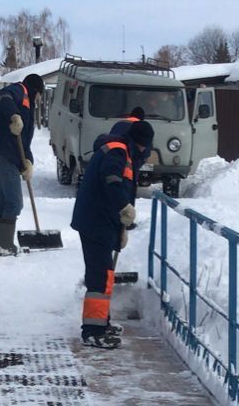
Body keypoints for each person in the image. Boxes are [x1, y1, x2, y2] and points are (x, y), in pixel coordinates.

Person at [71, 121, 154, 348]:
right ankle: (93, 331)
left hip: (100, 221)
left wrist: (121, 228)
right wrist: (123, 207)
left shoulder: (121, 150)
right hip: (95, 222)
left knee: (102, 274)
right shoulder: (118, 151)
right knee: (100, 276)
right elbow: (112, 181)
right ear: (142, 145)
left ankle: (101, 322)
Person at [0, 73, 45, 255]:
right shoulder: (20, 91)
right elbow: (2, 95)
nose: (40, 99)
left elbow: (24, 141)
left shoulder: (28, 104)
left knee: (2, 201)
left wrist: (28, 161)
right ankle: (4, 246)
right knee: (15, 202)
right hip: (2, 155)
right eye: (40, 94)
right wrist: (14, 115)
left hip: (1, 155)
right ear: (36, 90)